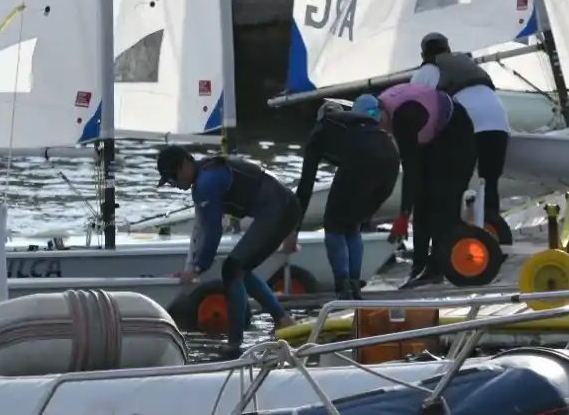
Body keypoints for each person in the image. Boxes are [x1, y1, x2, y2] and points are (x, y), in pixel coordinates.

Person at [157, 146, 298, 357]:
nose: (173, 184)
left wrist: (199, 267)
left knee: (232, 269)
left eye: (172, 178)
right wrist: (190, 268)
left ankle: (234, 343)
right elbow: (200, 229)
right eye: (168, 182)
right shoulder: (202, 181)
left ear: (185, 165)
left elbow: (213, 231)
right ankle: (283, 319)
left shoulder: (207, 182)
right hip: (280, 207)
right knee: (240, 269)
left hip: (281, 209)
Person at [368, 78, 476, 289]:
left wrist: (402, 215)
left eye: (379, 121)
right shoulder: (382, 109)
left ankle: (436, 268)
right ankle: (418, 267)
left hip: (457, 133)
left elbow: (410, 171)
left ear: (382, 111)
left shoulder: (403, 118)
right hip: (433, 134)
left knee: (442, 203)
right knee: (421, 201)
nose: (381, 128)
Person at [291, 100, 400, 298]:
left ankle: (342, 287)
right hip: (391, 157)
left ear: (319, 119)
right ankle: (355, 285)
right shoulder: (359, 123)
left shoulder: (320, 131)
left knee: (334, 224)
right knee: (352, 224)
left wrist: (293, 231)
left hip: (363, 157)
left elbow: (306, 185)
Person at [408, 32, 510, 229]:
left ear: (423, 54)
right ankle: (492, 233)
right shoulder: (467, 63)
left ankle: (452, 234)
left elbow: (414, 107)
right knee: (489, 183)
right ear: (448, 48)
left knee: (454, 185)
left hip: (470, 124)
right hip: (498, 121)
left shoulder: (426, 71)